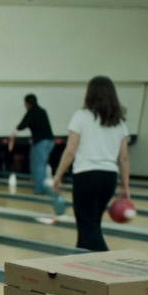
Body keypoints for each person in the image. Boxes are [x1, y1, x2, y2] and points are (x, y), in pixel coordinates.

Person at [49, 76, 131, 252]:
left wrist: (58, 175)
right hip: (109, 177)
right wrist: (125, 186)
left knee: (88, 226)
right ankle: (83, 268)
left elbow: (70, 151)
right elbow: (123, 157)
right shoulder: (119, 122)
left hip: (87, 176)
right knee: (92, 224)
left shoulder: (81, 116)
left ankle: (108, 262)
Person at [9, 94, 56, 196]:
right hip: (50, 142)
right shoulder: (42, 111)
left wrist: (13, 135)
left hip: (41, 142)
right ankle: (42, 187)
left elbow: (22, 125)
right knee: (39, 164)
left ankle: (40, 189)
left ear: (28, 103)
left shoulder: (31, 112)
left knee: (38, 165)